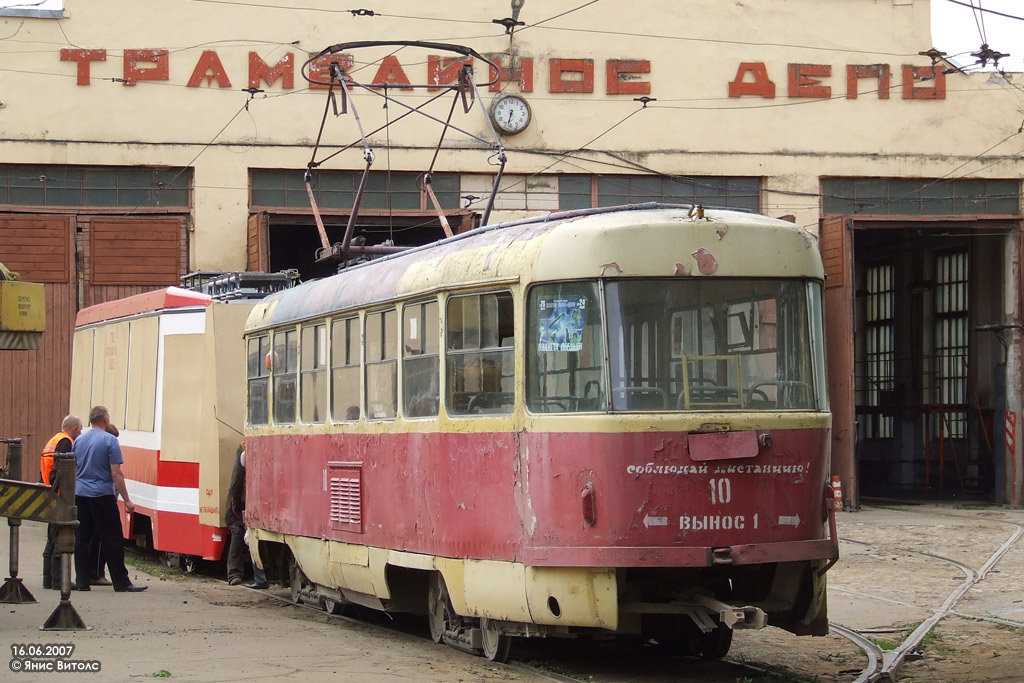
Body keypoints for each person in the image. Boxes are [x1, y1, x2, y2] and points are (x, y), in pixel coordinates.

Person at [73, 406, 147, 593]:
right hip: (102, 495)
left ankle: (82, 581)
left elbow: (74, 468)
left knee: (82, 538)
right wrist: (127, 500)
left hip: (81, 494)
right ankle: (121, 582)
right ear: (105, 419)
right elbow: (116, 474)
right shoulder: (109, 440)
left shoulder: (79, 440)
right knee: (112, 538)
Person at [41, 414, 82, 590]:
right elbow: (61, 471)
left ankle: (48, 579)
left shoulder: (53, 439)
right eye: (80, 430)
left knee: (51, 538)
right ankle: (58, 580)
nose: (80, 433)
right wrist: (64, 493)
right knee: (59, 539)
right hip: (58, 494)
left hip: (48, 491)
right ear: (74, 429)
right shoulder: (66, 442)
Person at [225, 446, 267, 589]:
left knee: (242, 534)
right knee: (239, 532)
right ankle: (234, 574)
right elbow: (236, 482)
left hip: (246, 501)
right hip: (242, 502)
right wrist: (235, 502)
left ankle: (240, 574)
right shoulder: (245, 449)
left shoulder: (245, 447)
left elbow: (236, 480)